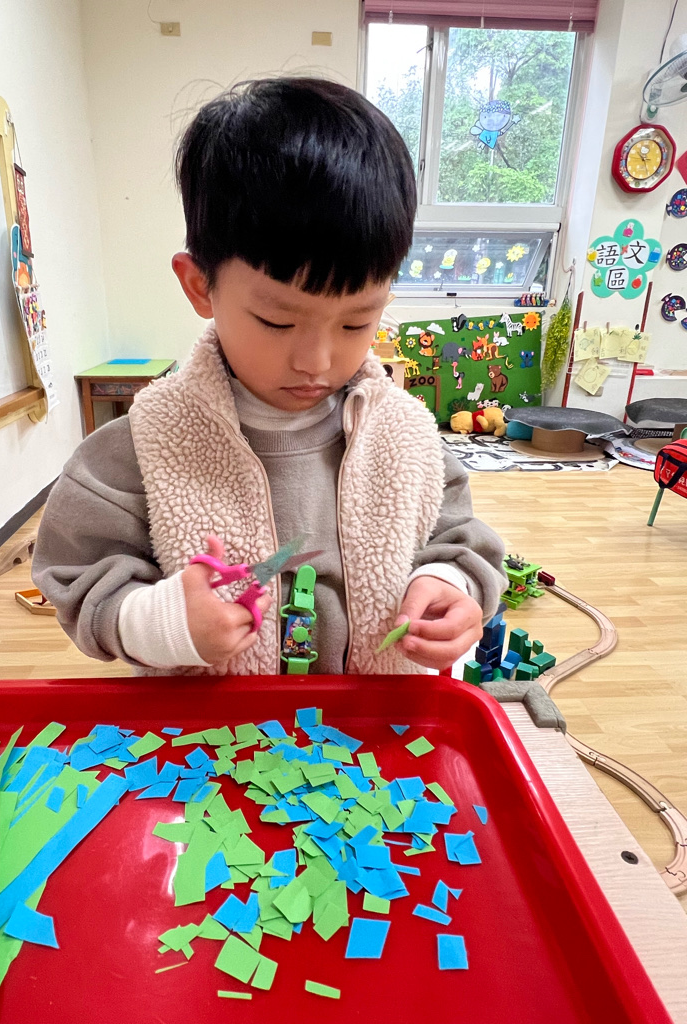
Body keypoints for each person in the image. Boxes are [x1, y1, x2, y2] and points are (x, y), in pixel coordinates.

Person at [32, 77, 506, 678]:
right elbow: (80, 582)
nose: (317, 361)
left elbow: (458, 541)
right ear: (199, 286)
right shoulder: (142, 447)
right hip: (214, 730)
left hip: (375, 728)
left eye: (357, 322)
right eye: (278, 322)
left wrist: (449, 586)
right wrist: (165, 623)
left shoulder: (406, 436)